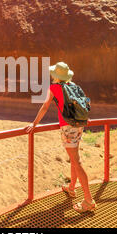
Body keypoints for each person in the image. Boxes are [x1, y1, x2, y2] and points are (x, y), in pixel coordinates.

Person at [25, 62, 96, 213]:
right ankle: (71, 188)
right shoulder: (73, 85)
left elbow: (44, 107)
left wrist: (34, 123)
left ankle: (89, 200)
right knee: (74, 158)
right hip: (78, 125)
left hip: (68, 127)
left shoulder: (54, 88)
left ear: (56, 76)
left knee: (77, 161)